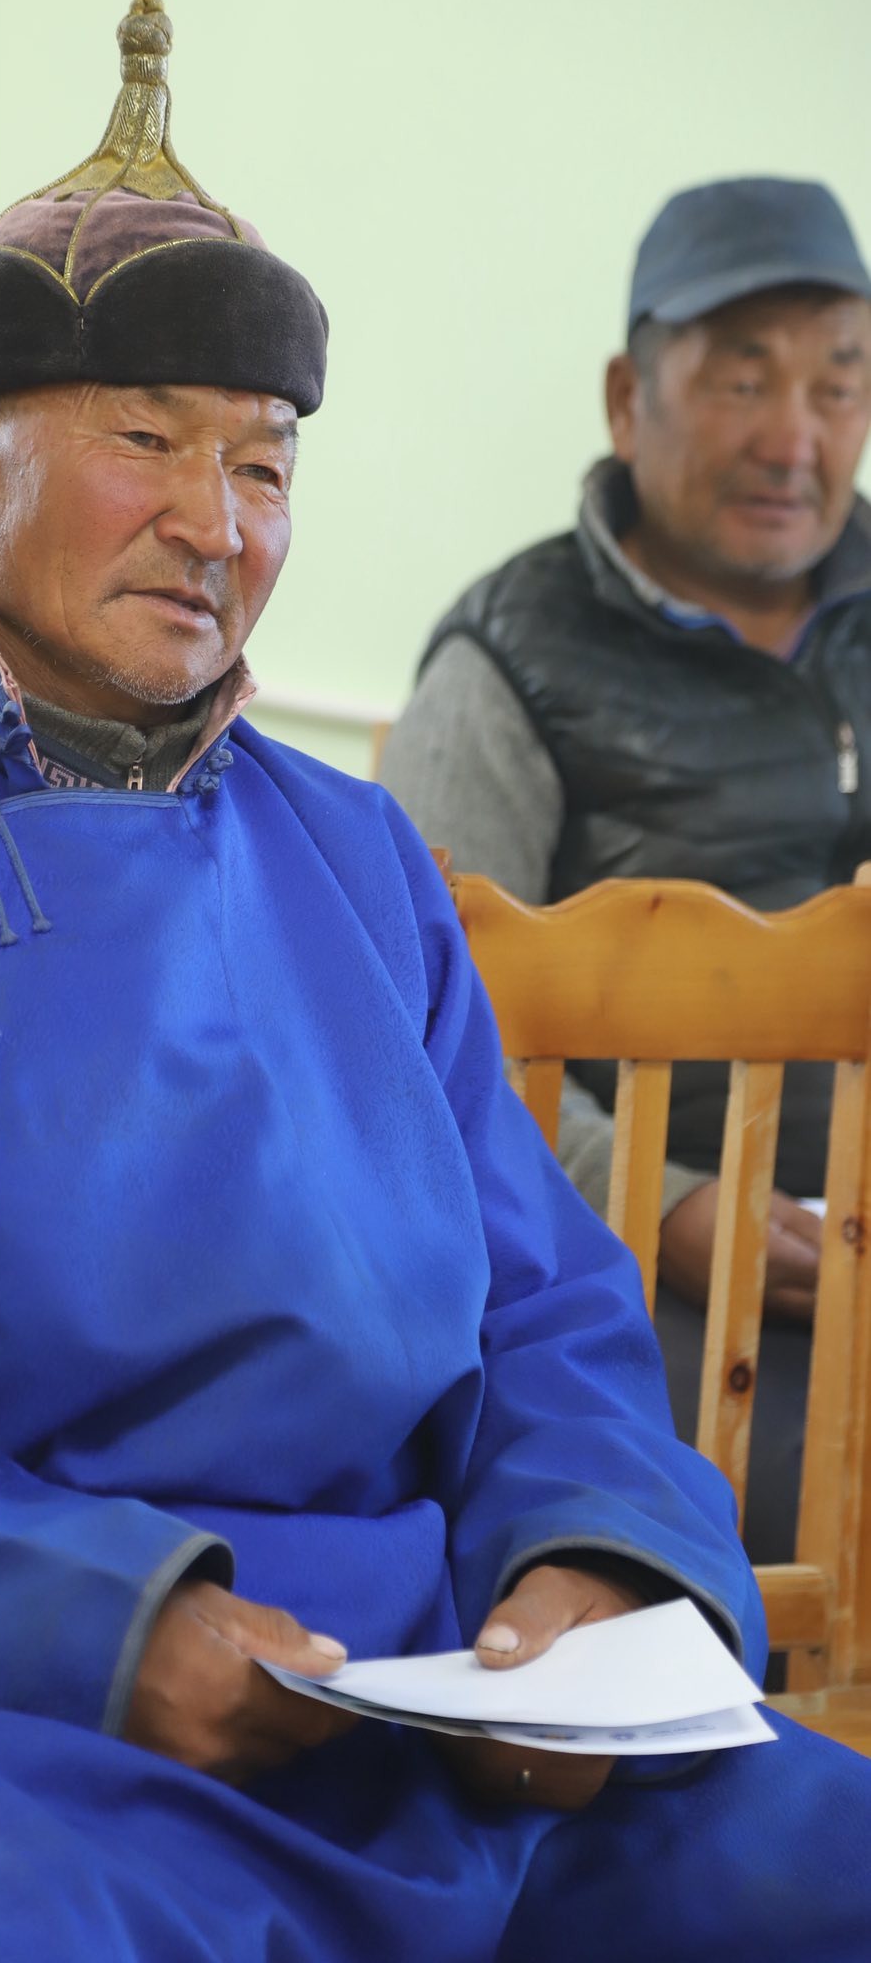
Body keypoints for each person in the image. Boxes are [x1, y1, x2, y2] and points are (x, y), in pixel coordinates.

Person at [0, 0, 869, 1963]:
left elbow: (543, 1301)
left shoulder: (357, 860)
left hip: (410, 1695)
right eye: (144, 441)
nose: (213, 524)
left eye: (262, 464)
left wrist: (585, 1572)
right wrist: (107, 1619)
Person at [382, 176, 871, 1567]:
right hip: (629, 1281)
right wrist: (661, 1205)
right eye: (741, 381)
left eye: (838, 384)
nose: (793, 438)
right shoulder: (507, 661)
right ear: (623, 398)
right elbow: (415, 1031)